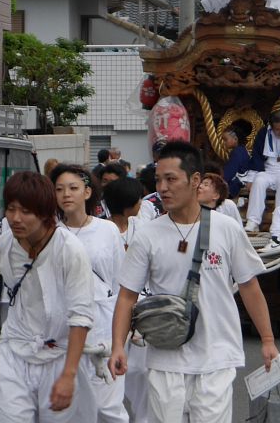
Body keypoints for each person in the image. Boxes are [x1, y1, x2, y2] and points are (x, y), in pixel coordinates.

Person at [109, 141, 278, 423]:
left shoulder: (227, 229)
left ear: (196, 180)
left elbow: (249, 286)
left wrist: (268, 340)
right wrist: (118, 346)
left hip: (217, 356)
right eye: (159, 180)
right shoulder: (148, 235)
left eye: (171, 179)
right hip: (165, 357)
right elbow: (127, 295)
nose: (162, 187)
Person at [0, 171, 94, 422]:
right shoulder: (5, 243)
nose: (16, 218)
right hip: (15, 349)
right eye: (11, 209)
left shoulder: (70, 250)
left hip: (59, 354)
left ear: (46, 213)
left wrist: (68, 375)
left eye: (25, 211)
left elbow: (81, 316)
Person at [51, 164, 128, 423]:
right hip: (64, 327)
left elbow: (121, 284)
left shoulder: (107, 231)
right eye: (59, 189)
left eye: (73, 188)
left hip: (103, 326)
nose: (66, 194)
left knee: (108, 407)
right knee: (71, 408)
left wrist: (121, 336)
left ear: (87, 192)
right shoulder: (50, 233)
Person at [103, 177, 150, 423]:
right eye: (138, 199)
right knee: (110, 370)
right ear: (126, 204)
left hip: (140, 306)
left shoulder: (143, 228)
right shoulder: (101, 230)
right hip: (110, 306)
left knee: (141, 371)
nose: (142, 202)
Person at [221, 130, 249, 199]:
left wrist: (220, 181)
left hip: (238, 183)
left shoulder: (238, 152)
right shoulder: (242, 150)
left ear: (235, 139)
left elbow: (230, 172)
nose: (224, 143)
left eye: (225, 139)